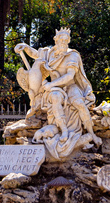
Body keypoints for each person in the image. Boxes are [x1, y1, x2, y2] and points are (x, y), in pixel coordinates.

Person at [14, 28, 101, 160]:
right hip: (54, 89)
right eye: (61, 40)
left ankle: (91, 133)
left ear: (69, 41)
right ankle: (64, 131)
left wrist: (51, 84)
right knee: (55, 97)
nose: (64, 42)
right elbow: (37, 54)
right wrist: (25, 48)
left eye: (66, 40)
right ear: (56, 40)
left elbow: (70, 76)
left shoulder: (73, 55)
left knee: (79, 103)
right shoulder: (51, 53)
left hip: (71, 86)